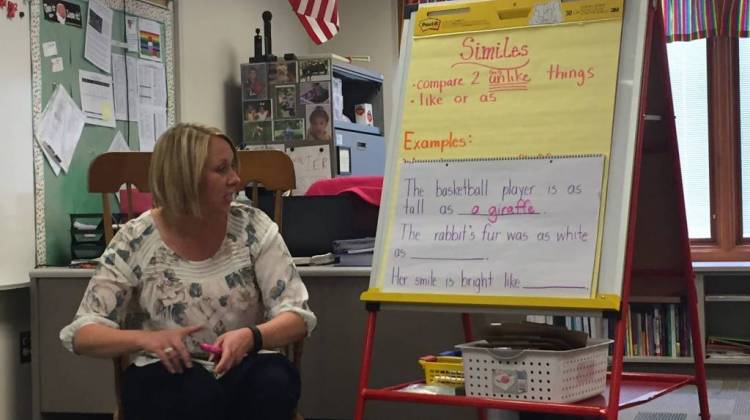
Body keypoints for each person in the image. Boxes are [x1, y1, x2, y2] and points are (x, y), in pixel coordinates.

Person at [59, 123, 316, 420]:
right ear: (184, 178)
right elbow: (83, 334)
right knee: (192, 396)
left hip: (245, 362)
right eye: (222, 169)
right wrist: (146, 340)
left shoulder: (253, 227)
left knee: (274, 384)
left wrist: (251, 337)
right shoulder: (136, 238)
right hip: (168, 370)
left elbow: (297, 317)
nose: (236, 179)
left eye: (233, 166)